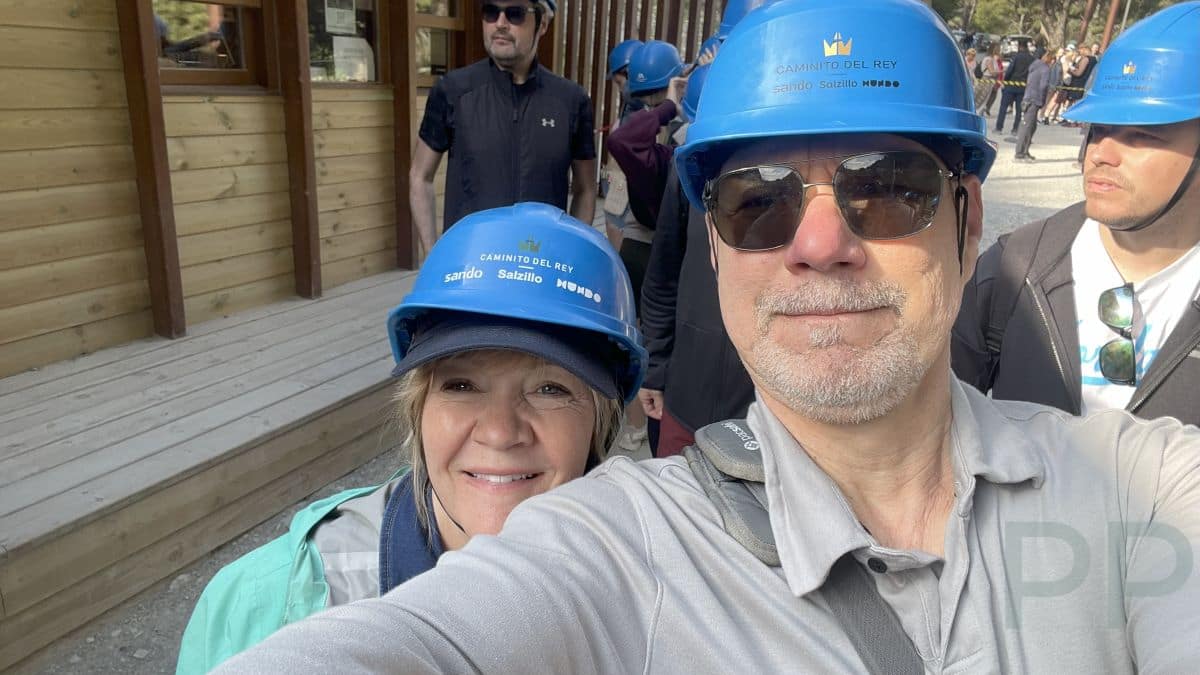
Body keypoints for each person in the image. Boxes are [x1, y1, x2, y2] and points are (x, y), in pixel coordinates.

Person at [216, 2, 1200, 672]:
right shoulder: (617, 539)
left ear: (969, 220)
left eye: (888, 188)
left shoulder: (1143, 484)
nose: (820, 244)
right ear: (718, 246)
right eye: (756, 202)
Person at [176, 202, 645, 673]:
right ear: (418, 408)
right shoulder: (272, 605)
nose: (500, 433)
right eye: (461, 385)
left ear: (600, 423)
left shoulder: (650, 588)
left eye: (550, 389)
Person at [953, 1, 1200, 426]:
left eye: (1141, 135)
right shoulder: (1016, 268)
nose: (1100, 154)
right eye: (1098, 129)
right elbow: (934, 422)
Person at [408, 1, 597, 255]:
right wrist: (433, 256)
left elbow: (586, 189)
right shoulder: (453, 91)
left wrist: (571, 255)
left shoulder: (571, 101)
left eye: (515, 13)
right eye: (490, 12)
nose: (500, 23)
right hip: (471, 264)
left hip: (539, 263)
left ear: (542, 24)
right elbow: (420, 177)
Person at [605, 39, 685, 308]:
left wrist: (667, 108)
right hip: (648, 240)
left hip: (654, 245)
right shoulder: (661, 149)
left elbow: (621, 141)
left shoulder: (670, 149)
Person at [1013, 50, 1056, 161]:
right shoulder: (1045, 69)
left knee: (1031, 126)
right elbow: (1043, 86)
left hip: (1027, 97)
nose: (1053, 63)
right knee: (1027, 127)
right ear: (1050, 59)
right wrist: (1042, 100)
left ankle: (1025, 151)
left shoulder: (1034, 65)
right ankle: (1019, 153)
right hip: (1034, 99)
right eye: (1053, 60)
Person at [996, 39, 1034, 134]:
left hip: (1011, 84)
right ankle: (1015, 129)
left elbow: (1010, 70)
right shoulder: (1031, 58)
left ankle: (999, 128)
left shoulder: (1016, 57)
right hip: (1023, 86)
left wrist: (1005, 81)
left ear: (1020, 46)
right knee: (1019, 110)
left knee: (1003, 107)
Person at [974, 43, 1002, 115]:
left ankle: (978, 112)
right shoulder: (989, 59)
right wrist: (1002, 71)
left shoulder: (991, 59)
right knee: (981, 99)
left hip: (989, 81)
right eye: (998, 49)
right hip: (987, 81)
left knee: (982, 99)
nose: (999, 51)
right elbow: (992, 72)